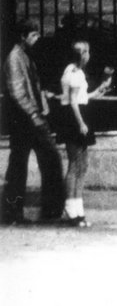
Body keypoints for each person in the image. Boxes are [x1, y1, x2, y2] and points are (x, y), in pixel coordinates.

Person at [2, 19, 66, 225]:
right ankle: (43, 211)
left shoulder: (24, 56)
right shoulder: (15, 58)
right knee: (44, 160)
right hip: (26, 120)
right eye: (33, 35)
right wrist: (34, 114)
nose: (37, 39)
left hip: (27, 118)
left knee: (22, 164)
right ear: (23, 37)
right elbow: (18, 92)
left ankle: (17, 213)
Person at [56, 39, 112, 227]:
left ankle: (78, 209)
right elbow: (73, 101)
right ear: (80, 55)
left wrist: (97, 92)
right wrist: (81, 123)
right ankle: (71, 209)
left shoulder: (73, 71)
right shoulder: (74, 73)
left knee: (82, 164)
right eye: (86, 52)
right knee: (75, 164)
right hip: (75, 118)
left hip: (77, 115)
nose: (88, 55)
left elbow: (80, 97)